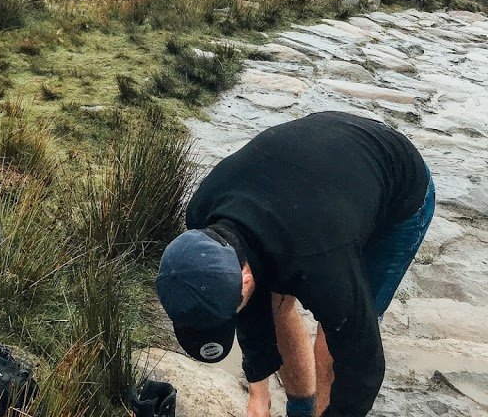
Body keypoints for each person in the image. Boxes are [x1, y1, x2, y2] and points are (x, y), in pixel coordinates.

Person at [155, 112, 434, 417]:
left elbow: (362, 366)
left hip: (397, 188)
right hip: (310, 187)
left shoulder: (321, 262)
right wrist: (258, 392)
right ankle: (301, 409)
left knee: (336, 332)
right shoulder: (202, 217)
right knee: (276, 306)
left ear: (246, 280)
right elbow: (250, 302)